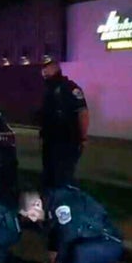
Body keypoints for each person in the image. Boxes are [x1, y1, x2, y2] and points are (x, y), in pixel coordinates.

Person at [39, 56, 89, 189]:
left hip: (67, 140)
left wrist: (83, 138)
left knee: (63, 176)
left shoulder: (71, 89)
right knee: (49, 175)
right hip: (50, 141)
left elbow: (82, 113)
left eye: (47, 74)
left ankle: (65, 202)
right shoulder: (49, 92)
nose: (45, 78)